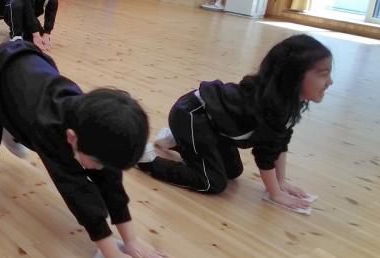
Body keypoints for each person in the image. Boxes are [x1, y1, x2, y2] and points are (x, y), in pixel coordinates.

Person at [0, 40, 167, 258]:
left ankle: (13, 127)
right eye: (97, 161)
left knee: (38, 133)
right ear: (71, 137)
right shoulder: (49, 127)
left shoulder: (93, 123)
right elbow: (76, 190)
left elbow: (110, 179)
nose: (101, 169)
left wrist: (130, 240)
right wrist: (112, 255)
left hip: (27, 74)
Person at [137, 34, 333, 210]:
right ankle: (147, 160)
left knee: (233, 171)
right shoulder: (269, 107)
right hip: (190, 115)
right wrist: (276, 193)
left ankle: (177, 141)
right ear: (293, 76)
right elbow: (264, 157)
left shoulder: (289, 102)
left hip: (212, 125)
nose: (330, 82)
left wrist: (281, 182)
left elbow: (279, 143)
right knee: (212, 182)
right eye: (323, 74)